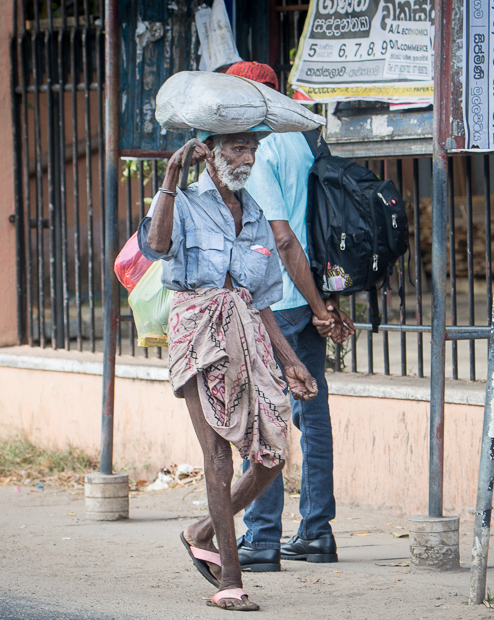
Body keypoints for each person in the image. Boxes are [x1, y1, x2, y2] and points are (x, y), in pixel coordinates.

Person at [138, 130, 318, 611]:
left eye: (252, 150)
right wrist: (172, 177)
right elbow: (155, 246)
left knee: (272, 454)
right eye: (238, 149)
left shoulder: (255, 212)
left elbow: (260, 301)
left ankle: (200, 531)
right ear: (212, 154)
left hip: (249, 334)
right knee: (217, 459)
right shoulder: (185, 200)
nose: (248, 158)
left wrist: (292, 361)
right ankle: (230, 581)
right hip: (197, 331)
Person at [224, 62, 355, 573]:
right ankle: (318, 532)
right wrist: (321, 302)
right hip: (306, 295)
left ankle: (261, 540)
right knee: (312, 416)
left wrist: (318, 307)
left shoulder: (259, 148)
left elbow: (282, 237)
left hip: (276, 304)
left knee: (264, 417)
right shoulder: (301, 138)